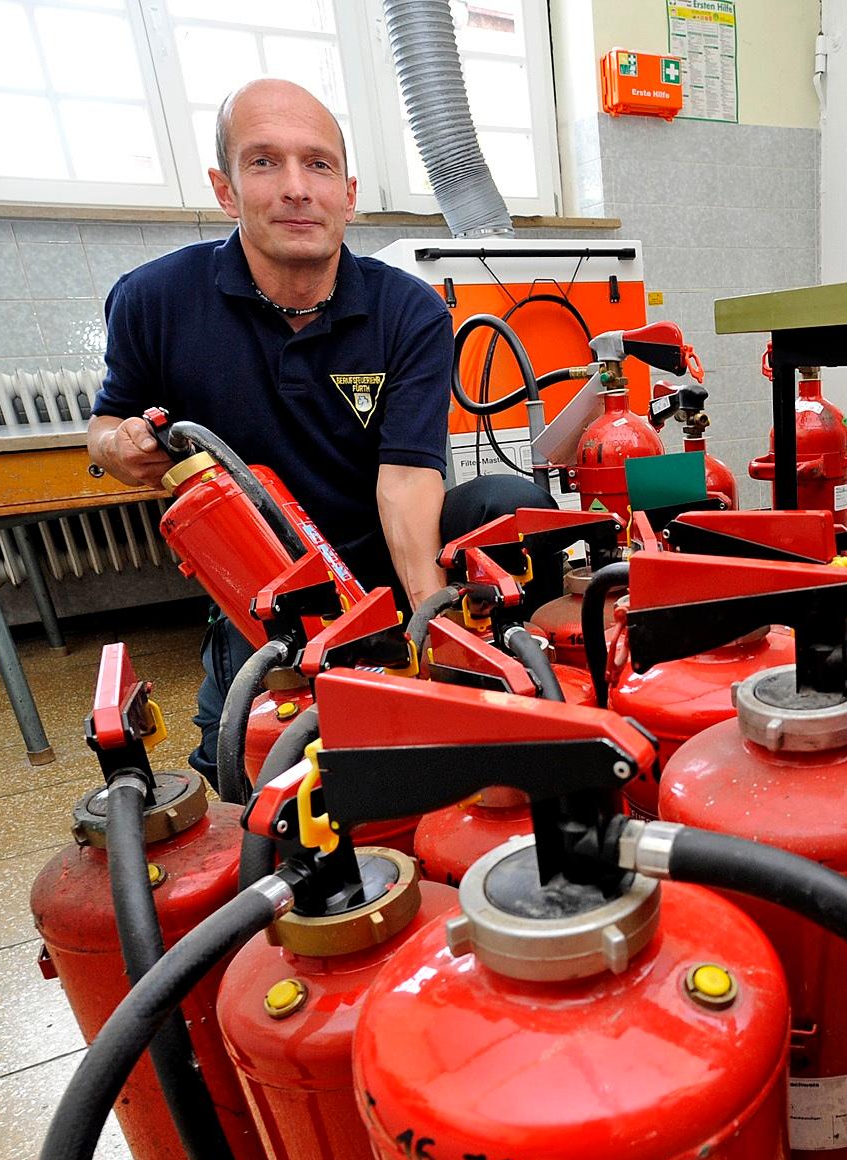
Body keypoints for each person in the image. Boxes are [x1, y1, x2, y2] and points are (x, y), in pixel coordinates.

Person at [87, 77, 548, 785]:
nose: (296, 188)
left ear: (349, 192)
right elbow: (105, 426)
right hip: (262, 586)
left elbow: (406, 475)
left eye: (318, 164)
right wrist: (118, 449)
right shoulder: (153, 300)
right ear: (224, 188)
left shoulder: (410, 312)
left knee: (508, 503)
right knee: (236, 762)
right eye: (264, 162)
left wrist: (431, 630)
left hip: (387, 560)